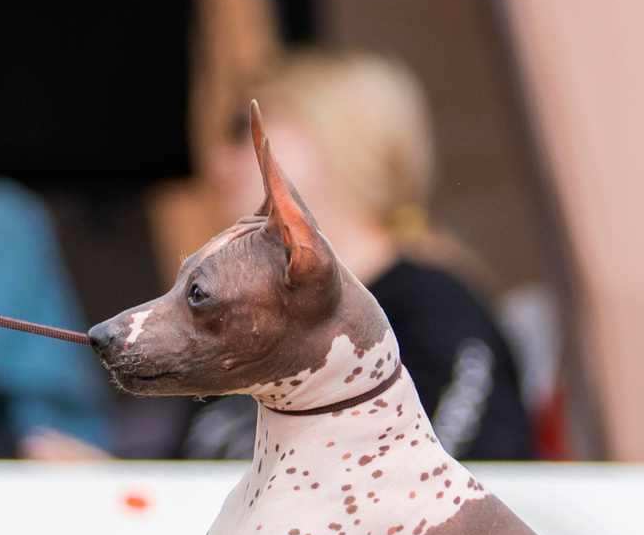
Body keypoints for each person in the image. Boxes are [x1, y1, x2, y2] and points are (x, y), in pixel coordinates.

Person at [196, 50, 537, 462]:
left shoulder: (434, 309)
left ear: (335, 135)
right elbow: (165, 487)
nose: (215, 162)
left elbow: (438, 484)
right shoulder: (241, 323)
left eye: (242, 128)